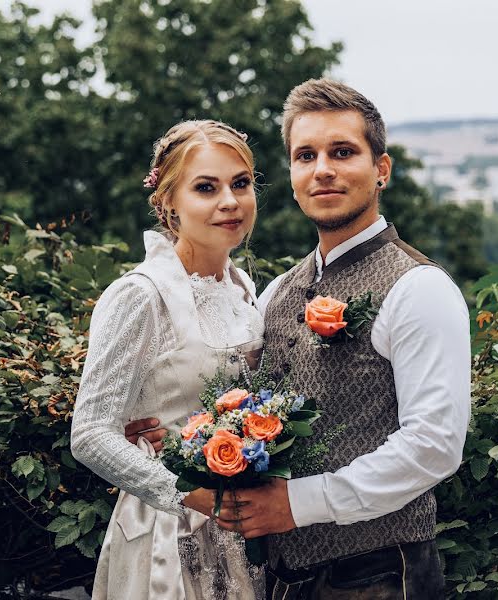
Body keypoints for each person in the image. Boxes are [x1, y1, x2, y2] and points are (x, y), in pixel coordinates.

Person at [133, 79, 470, 598]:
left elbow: (434, 447)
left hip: (379, 574)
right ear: (291, 175)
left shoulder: (420, 288)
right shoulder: (275, 293)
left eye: (342, 152)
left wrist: (298, 504)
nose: (323, 170)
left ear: (381, 169)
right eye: (305, 155)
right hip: (280, 579)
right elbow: (228, 396)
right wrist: (169, 438)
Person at [70, 119, 266, 600]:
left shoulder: (244, 290)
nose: (229, 201)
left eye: (240, 184)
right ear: (168, 202)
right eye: (206, 187)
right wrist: (186, 493)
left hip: (245, 530)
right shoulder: (141, 296)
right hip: (166, 533)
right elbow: (91, 433)